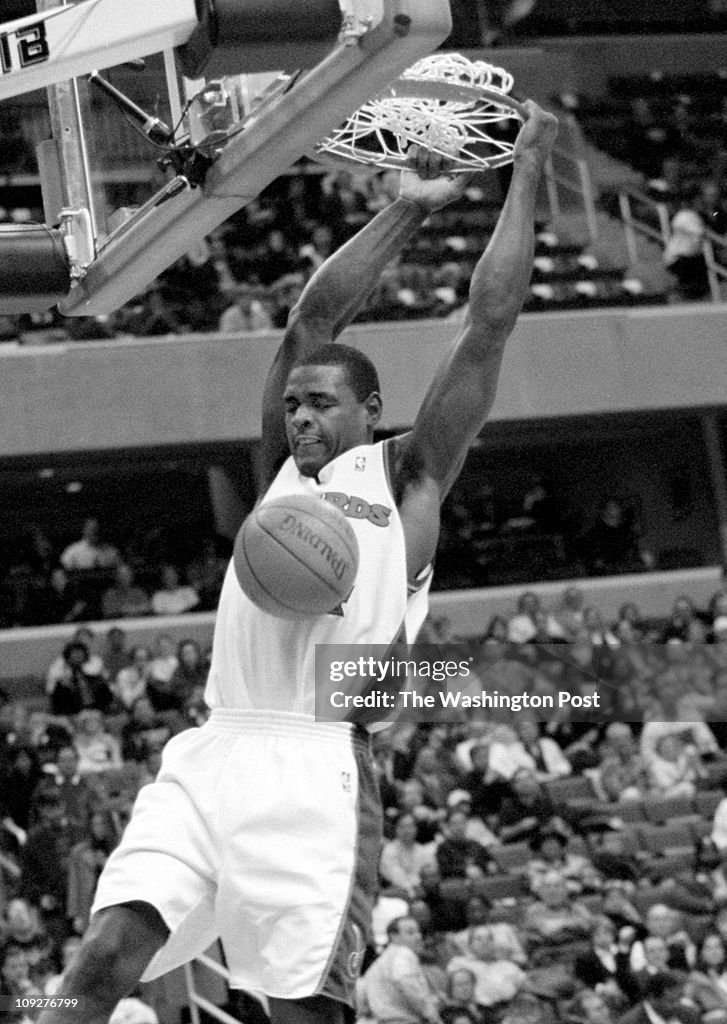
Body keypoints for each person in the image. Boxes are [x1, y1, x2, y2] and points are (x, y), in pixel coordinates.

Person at [38, 100, 558, 1024]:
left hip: (318, 769)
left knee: (300, 1013)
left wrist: (525, 169)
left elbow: (487, 325)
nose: (300, 416)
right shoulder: (279, 470)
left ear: (370, 409)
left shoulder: (410, 482)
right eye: (293, 407)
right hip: (212, 747)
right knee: (96, 964)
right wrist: (407, 207)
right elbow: (311, 314)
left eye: (321, 403)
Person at [358, 915, 442, 1024]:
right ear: (394, 936)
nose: (418, 936)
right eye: (410, 932)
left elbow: (361, 992)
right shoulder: (403, 953)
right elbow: (404, 979)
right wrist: (429, 1013)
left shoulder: (380, 962)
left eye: (418, 931)